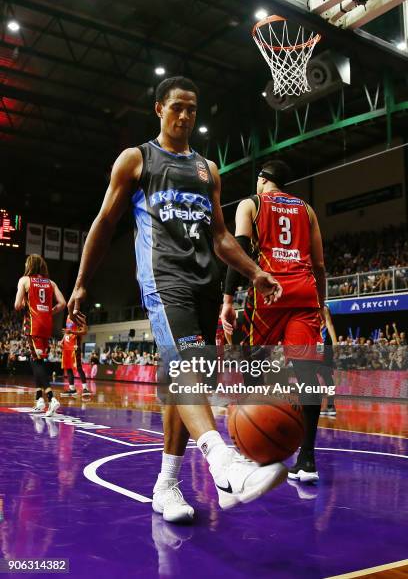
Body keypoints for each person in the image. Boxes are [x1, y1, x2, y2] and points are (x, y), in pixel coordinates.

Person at [68, 75, 286, 523]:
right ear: (160, 110)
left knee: (188, 385)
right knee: (186, 369)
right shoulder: (137, 160)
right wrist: (82, 282)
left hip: (205, 283)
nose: (185, 116)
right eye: (177, 108)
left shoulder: (209, 170)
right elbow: (104, 223)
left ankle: (167, 485)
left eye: (192, 109)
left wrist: (255, 271)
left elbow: (222, 237)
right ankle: (223, 466)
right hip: (164, 280)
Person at [221, 160, 326, 483]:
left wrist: (227, 300)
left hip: (269, 293)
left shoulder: (250, 204)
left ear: (262, 180)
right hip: (304, 295)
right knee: (308, 374)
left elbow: (238, 250)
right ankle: (307, 460)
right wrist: (320, 304)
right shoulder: (307, 210)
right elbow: (320, 264)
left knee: (255, 368)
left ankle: (256, 454)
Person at [14, 254, 66, 416]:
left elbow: (17, 305)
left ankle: (51, 398)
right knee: (37, 359)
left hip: (33, 324)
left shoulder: (24, 280)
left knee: (36, 362)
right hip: (46, 325)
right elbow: (63, 303)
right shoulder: (51, 283)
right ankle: (39, 399)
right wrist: (50, 311)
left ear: (29, 265)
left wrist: (24, 303)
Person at [60, 315, 91, 398]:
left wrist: (72, 332)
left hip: (74, 346)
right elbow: (67, 331)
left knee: (78, 367)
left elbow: (84, 332)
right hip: (66, 347)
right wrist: (62, 341)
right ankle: (72, 389)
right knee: (68, 368)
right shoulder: (67, 317)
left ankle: (85, 388)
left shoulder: (80, 317)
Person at [319, 304, 337, 417]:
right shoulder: (307, 308)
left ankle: (331, 405)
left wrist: (335, 342)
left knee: (327, 376)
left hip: (324, 346)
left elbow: (329, 324)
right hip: (312, 346)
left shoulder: (323, 308)